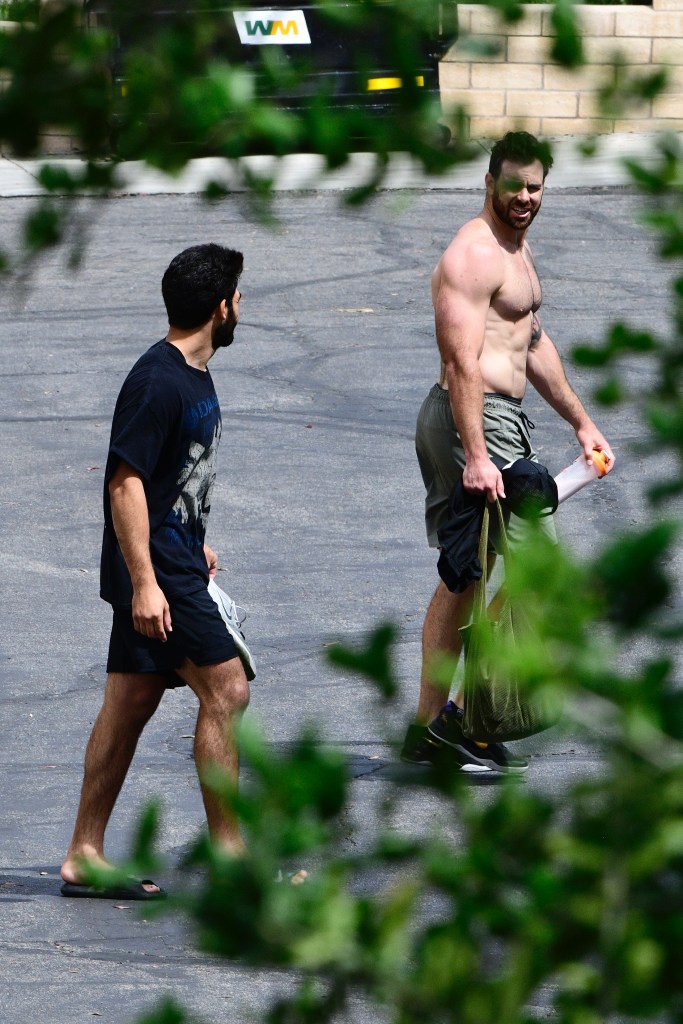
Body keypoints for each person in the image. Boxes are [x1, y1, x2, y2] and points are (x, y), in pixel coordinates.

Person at [401, 131, 615, 774]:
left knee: (463, 572)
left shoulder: (516, 252)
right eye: (513, 184)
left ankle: (440, 725)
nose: (524, 197)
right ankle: (460, 717)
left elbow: (532, 341)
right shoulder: (472, 255)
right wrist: (475, 454)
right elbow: (462, 363)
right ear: (488, 182)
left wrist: (580, 422)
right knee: (525, 571)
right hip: (476, 422)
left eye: (535, 186)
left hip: (497, 420)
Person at [60, 243, 250, 900]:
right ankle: (231, 861)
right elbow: (125, 484)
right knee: (226, 692)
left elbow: (171, 479)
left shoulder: (191, 375)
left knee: (131, 699)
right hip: (159, 574)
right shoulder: (157, 381)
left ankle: (84, 853)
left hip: (175, 557)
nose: (240, 308)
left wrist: (195, 537)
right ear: (220, 308)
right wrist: (145, 580)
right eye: (238, 297)